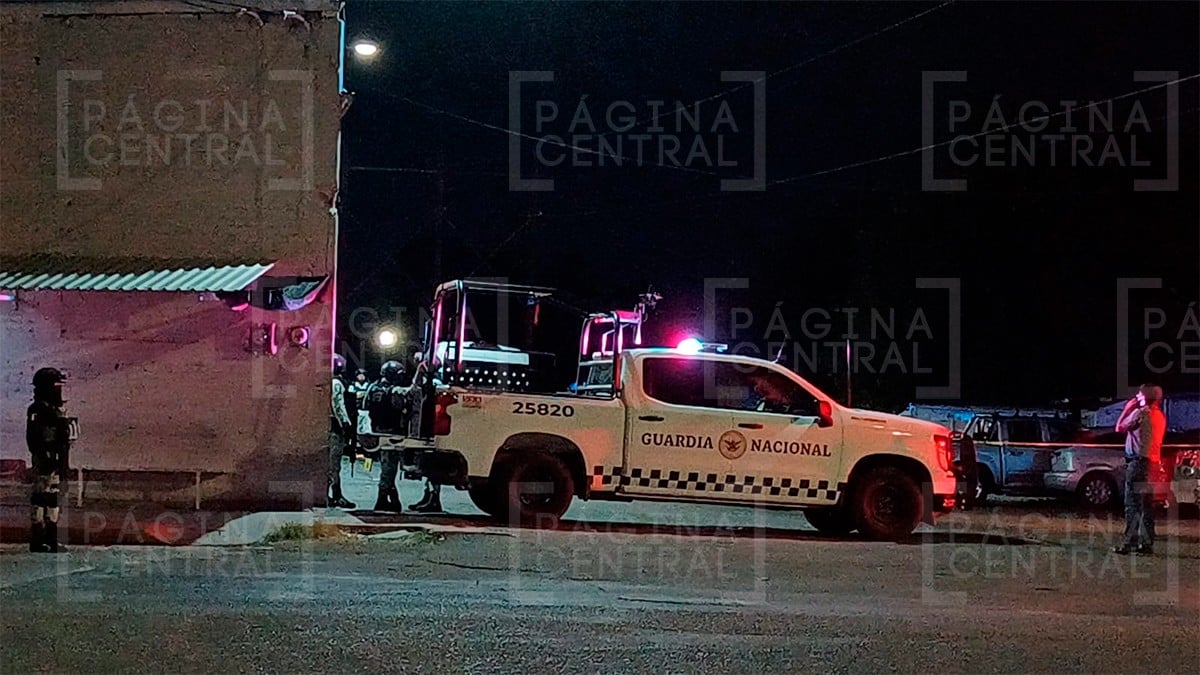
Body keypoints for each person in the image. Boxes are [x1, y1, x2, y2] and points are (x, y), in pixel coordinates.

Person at [1112, 383, 1166, 555]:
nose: (1137, 397)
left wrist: (1127, 408)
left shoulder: (1140, 413)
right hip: (1154, 464)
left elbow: (1119, 427)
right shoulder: (1160, 416)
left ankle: (1130, 541)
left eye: (1140, 395)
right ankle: (1147, 542)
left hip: (1138, 463)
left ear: (1145, 398)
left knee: (1132, 504)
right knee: (1147, 505)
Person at [26, 367, 74, 553]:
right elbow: (35, 438)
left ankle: (50, 539)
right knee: (41, 498)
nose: (59, 389)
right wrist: (46, 457)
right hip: (46, 461)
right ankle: (40, 539)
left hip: (53, 461)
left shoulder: (52, 410)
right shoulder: (39, 410)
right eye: (55, 385)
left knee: (52, 498)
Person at [368, 360, 409, 512]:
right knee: (389, 468)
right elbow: (401, 409)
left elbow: (366, 407)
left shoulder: (372, 388)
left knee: (387, 467)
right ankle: (383, 499)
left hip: (377, 432)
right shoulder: (394, 391)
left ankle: (392, 499)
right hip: (393, 433)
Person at [328, 354, 356, 509]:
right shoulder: (336, 383)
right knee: (334, 464)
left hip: (325, 425)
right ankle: (336, 495)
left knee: (329, 464)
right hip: (335, 426)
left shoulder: (325, 382)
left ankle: (329, 495)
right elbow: (338, 404)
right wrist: (345, 422)